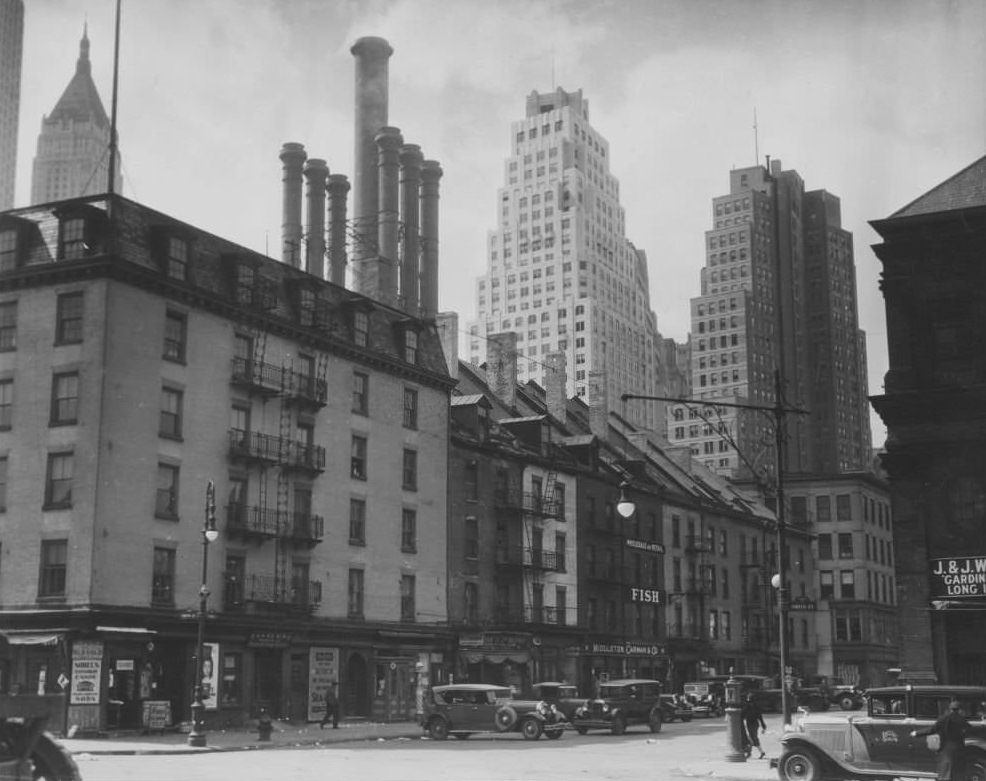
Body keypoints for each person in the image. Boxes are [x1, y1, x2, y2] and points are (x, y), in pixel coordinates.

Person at [912, 699, 976, 781]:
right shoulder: (962, 720)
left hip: (946, 750)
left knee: (945, 773)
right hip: (959, 750)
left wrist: (917, 733)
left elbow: (932, 729)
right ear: (960, 710)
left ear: (950, 709)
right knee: (957, 774)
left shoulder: (943, 719)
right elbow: (971, 731)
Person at [742, 693, 767, 759]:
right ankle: (750, 752)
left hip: (751, 724)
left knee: (753, 738)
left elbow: (743, 714)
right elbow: (760, 717)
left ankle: (761, 752)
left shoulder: (749, 707)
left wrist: (763, 726)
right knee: (751, 738)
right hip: (753, 724)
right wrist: (763, 726)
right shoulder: (754, 707)